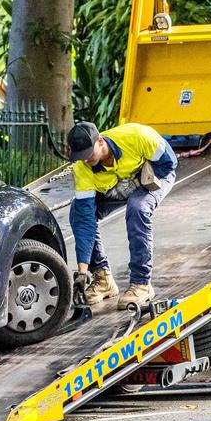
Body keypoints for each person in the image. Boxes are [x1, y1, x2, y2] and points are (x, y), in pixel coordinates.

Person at [68, 121, 177, 309]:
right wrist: (82, 271)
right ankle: (103, 279)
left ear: (100, 141)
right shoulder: (82, 167)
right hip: (116, 188)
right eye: (81, 157)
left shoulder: (137, 136)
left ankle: (141, 284)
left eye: (88, 154)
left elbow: (169, 163)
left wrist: (138, 183)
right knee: (77, 213)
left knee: (137, 207)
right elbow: (85, 220)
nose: (86, 160)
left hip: (154, 177)